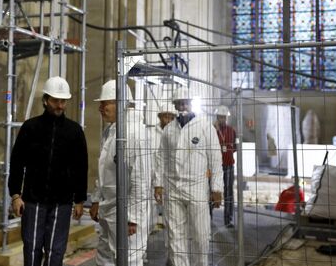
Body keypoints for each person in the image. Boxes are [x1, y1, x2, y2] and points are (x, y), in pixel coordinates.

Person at [8, 76, 88, 266]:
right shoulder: (30, 128)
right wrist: (15, 195)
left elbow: (81, 166)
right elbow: (17, 163)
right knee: (32, 247)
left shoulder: (75, 131)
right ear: (45, 100)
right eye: (55, 101)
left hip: (62, 202)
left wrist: (80, 199)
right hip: (33, 201)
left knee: (56, 251)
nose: (59, 105)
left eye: (63, 101)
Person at [153, 87, 222, 266]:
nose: (183, 106)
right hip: (173, 187)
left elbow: (215, 159)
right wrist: (158, 183)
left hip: (197, 186)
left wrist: (216, 188)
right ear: (175, 105)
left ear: (192, 103)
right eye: (179, 103)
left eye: (186, 102)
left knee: (201, 234)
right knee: (175, 236)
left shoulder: (205, 127)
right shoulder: (169, 130)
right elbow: (162, 158)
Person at [90, 80, 149, 266]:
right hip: (109, 207)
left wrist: (133, 218)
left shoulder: (136, 133)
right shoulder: (111, 131)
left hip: (125, 210)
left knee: (129, 258)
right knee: (105, 255)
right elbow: (103, 170)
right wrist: (97, 199)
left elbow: (141, 179)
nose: (100, 108)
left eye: (104, 103)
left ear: (121, 103)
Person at [213, 105, 237, 228]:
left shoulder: (232, 131)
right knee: (212, 190)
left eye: (224, 117)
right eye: (220, 117)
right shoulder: (212, 130)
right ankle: (209, 217)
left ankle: (228, 219)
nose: (222, 119)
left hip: (228, 165)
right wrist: (215, 129)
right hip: (214, 166)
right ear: (217, 117)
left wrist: (227, 153)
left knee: (228, 192)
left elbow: (234, 148)